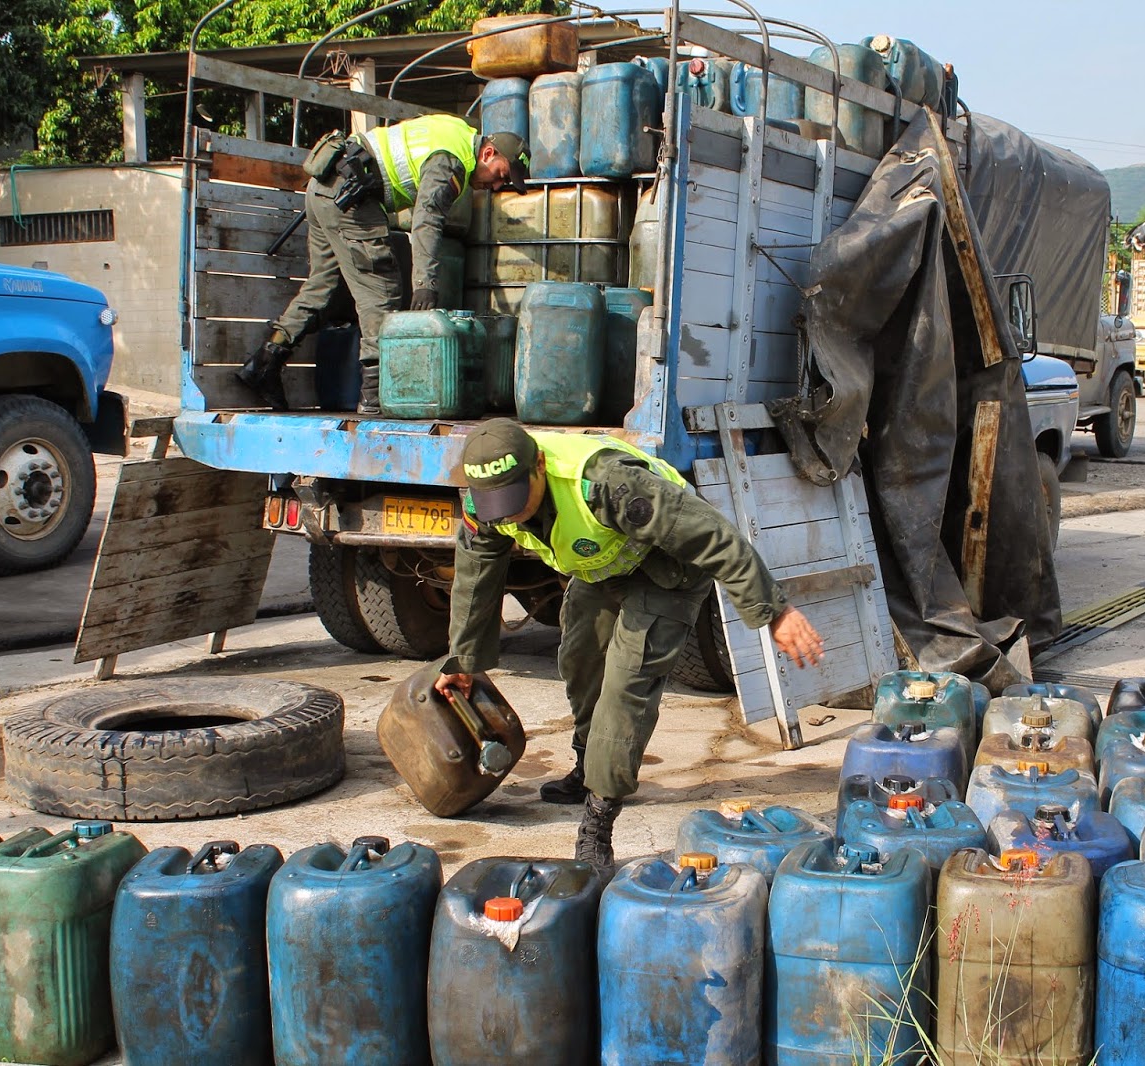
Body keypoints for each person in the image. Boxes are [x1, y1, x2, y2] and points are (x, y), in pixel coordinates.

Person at [437, 419, 826, 868]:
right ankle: (589, 766)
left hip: (667, 568)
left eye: (513, 498)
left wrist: (773, 611)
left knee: (627, 683)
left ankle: (599, 819)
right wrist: (462, 660)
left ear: (539, 466)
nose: (506, 515)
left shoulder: (607, 483)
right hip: (605, 567)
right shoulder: (484, 506)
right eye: (495, 505)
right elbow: (475, 578)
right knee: (580, 659)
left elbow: (713, 536)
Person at [236, 114, 530, 415]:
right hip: (350, 196)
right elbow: (427, 220)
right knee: (382, 293)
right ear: (488, 153)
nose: (497, 185)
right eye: (502, 174)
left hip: (326, 187)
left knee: (325, 286)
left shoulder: (456, 132)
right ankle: (375, 398)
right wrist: (425, 284)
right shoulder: (452, 161)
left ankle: (263, 363)